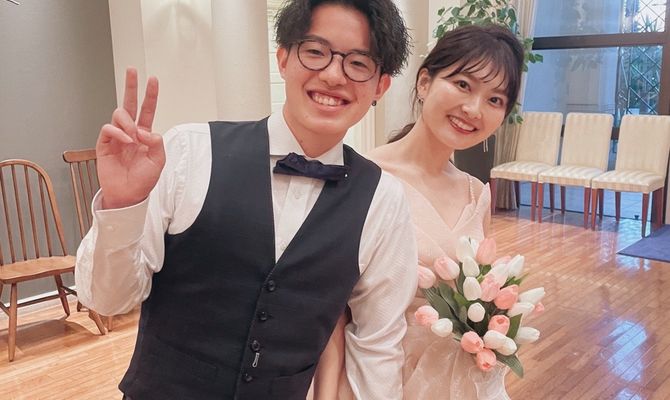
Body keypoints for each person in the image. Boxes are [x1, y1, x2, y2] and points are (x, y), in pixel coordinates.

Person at [74, 1, 418, 399]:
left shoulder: (383, 200)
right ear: (283, 58)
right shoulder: (189, 152)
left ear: (380, 86)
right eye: (315, 52)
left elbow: (378, 346)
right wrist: (122, 207)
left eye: (358, 63)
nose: (332, 74)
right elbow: (108, 300)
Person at [313, 24, 525, 399]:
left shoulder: (476, 193)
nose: (473, 109)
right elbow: (329, 314)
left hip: (460, 382)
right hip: (380, 378)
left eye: (495, 100)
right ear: (425, 82)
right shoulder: (361, 178)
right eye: (463, 84)